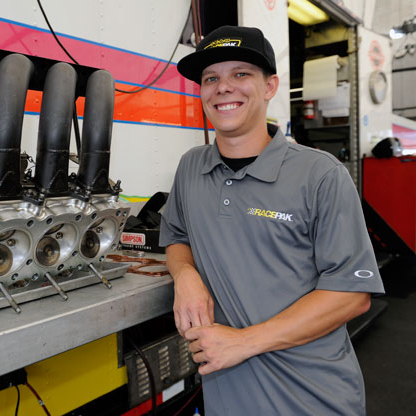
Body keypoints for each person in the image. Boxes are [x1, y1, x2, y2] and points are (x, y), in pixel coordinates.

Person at [159, 25, 384, 415]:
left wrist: (243, 342)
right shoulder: (191, 167)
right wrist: (185, 275)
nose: (223, 87)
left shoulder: (321, 175)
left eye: (240, 74)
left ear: (270, 86)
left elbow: (352, 295)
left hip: (311, 398)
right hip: (228, 397)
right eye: (211, 78)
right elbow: (177, 236)